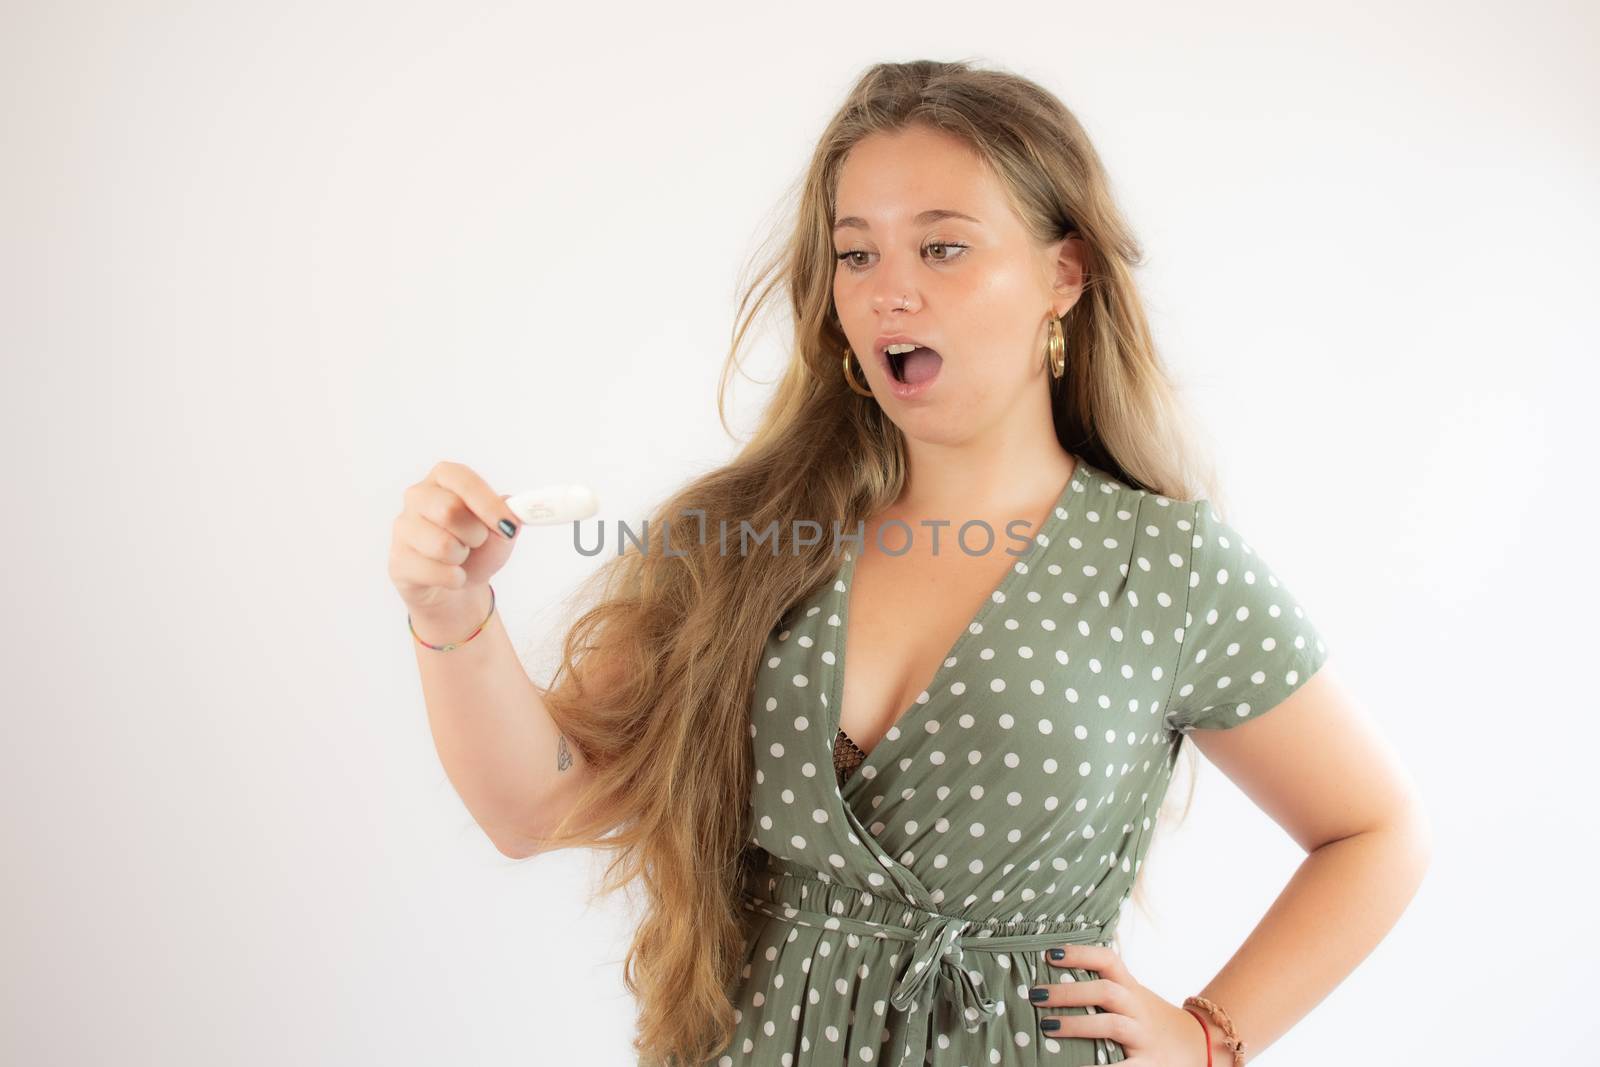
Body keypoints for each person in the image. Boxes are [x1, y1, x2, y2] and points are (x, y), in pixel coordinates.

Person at [390, 59, 1430, 1067]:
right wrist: (450, 611)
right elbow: (536, 806)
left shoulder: (1164, 565)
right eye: (857, 254)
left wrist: (1212, 1032)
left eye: (941, 248)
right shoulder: (743, 537)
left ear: (1061, 274)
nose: (889, 291)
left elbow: (1374, 830)